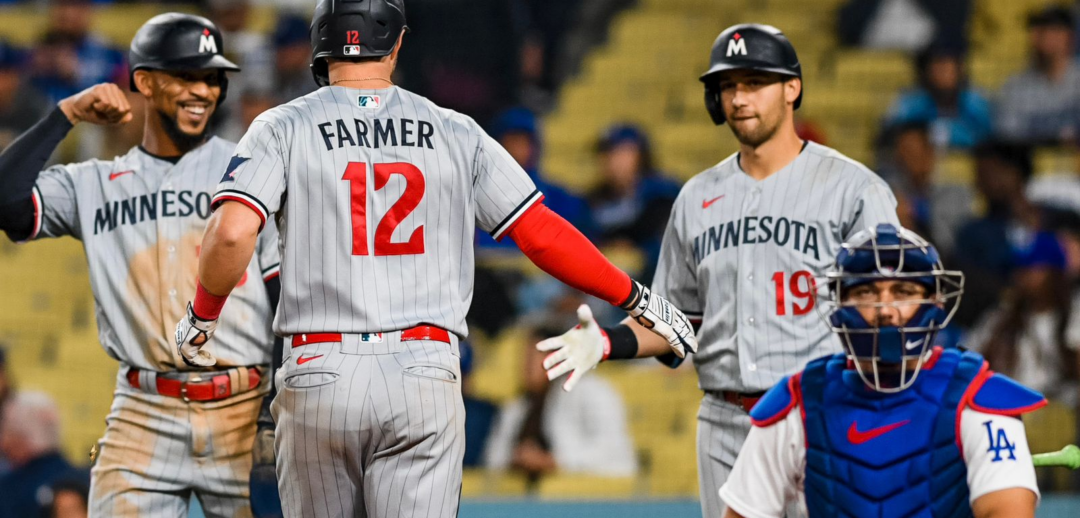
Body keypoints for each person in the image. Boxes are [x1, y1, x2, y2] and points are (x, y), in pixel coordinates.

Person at [173, 2, 696, 518]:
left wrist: (202, 318)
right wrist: (637, 297)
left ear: (320, 43)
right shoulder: (454, 129)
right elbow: (539, 234)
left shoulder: (279, 126)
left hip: (318, 368)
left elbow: (232, 234)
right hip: (422, 370)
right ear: (397, 43)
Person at [536, 23, 900, 518]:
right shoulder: (697, 197)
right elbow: (678, 323)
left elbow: (894, 304)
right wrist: (606, 342)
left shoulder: (854, 189)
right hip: (726, 423)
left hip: (821, 417)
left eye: (754, 82)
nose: (739, 98)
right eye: (729, 86)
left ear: (792, 88)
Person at [0, 13, 282, 517]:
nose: (204, 90)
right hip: (142, 410)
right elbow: (7, 201)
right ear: (145, 82)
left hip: (244, 402)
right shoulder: (93, 183)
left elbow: (286, 291)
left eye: (212, 77)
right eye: (186, 75)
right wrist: (63, 114)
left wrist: (278, 402)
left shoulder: (249, 167)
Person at [719, 224, 1041, 518]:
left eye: (903, 292)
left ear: (935, 304)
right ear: (839, 307)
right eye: (866, 293)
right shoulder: (799, 401)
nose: (885, 310)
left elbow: (1007, 511)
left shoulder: (975, 396)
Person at [483, 318, 637, 482]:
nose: (526, 366)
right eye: (525, 357)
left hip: (591, 498)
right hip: (527, 501)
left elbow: (616, 454)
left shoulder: (592, 391)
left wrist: (553, 461)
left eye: (534, 356)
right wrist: (518, 459)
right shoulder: (517, 407)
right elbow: (493, 460)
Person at [966, 231, 1080, 408]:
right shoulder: (1001, 316)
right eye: (1018, 268)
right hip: (1009, 414)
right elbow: (969, 360)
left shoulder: (1074, 314)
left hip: (1062, 417)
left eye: (1030, 268)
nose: (1021, 275)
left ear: (1054, 272)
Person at [587, 123, 681, 280]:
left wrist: (625, 242)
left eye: (621, 152)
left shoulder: (662, 190)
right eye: (607, 153)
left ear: (641, 155)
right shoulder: (596, 197)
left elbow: (655, 230)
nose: (613, 160)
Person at [996, 6, 1080, 145]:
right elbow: (1008, 140)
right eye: (1039, 30)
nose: (1042, 37)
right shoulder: (1015, 86)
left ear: (1068, 36)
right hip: (1034, 162)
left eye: (1051, 29)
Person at [884, 45, 992, 149]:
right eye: (937, 65)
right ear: (926, 71)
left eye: (947, 66)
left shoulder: (976, 102)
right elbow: (889, 137)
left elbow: (991, 138)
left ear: (959, 70)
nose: (942, 72)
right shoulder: (910, 103)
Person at [0, 392, 83, 518]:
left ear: (23, 437)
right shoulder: (84, 480)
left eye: (7, 431)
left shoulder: (9, 489)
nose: (3, 442)